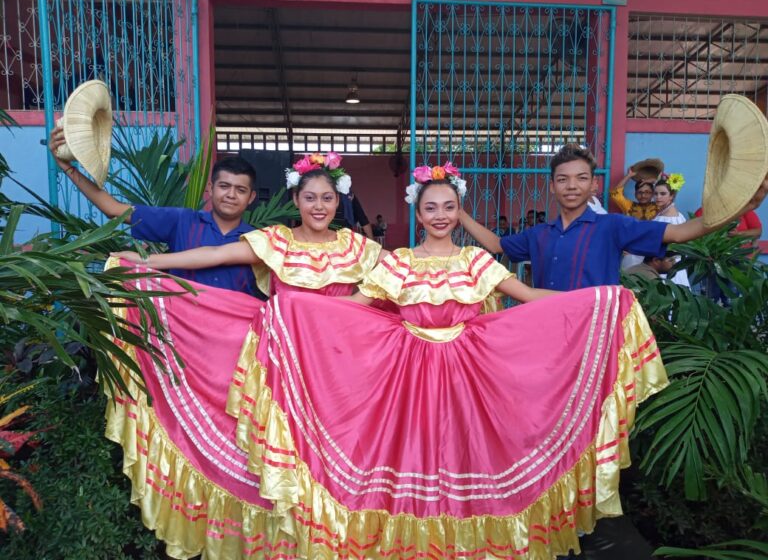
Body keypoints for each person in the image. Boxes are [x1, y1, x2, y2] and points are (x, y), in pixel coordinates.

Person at [217, 163, 668, 558]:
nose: (439, 216)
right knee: (409, 456)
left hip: (469, 372)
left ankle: (465, 543)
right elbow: (353, 304)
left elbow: (529, 298)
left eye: (448, 207)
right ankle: (405, 541)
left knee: (467, 452)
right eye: (431, 208)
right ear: (418, 213)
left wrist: (599, 301)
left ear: (459, 212)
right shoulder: (399, 263)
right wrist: (294, 309)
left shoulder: (476, 260)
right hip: (406, 372)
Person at [106, 153, 384, 558]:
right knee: (281, 458)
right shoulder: (276, 241)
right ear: (296, 199)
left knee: (331, 463)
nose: (319, 206)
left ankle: (329, 544)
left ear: (337, 202)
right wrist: (149, 262)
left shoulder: (360, 248)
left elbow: (393, 281)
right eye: (310, 198)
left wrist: (350, 310)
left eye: (326, 198)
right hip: (283, 370)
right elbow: (213, 255)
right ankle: (280, 545)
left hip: (340, 373)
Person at [459, 143, 768, 291]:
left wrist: (738, 209)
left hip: (596, 331)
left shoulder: (612, 226)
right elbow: (498, 244)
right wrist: (459, 214)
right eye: (563, 179)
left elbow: (676, 234)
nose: (571, 186)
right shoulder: (539, 234)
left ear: (593, 185)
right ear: (552, 186)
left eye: (581, 178)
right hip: (547, 326)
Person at [48, 126, 260, 295]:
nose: (231, 195)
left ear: (251, 197)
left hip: (239, 339)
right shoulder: (182, 221)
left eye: (240, 190)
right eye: (224, 186)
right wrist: (68, 168)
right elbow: (113, 209)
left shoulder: (260, 241)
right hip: (181, 333)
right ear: (210, 188)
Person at [652, 175, 690, 287]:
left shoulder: (667, 218)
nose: (658, 197)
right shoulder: (671, 214)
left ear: (671, 196)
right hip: (670, 264)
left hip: (666, 264)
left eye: (663, 194)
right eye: (656, 193)